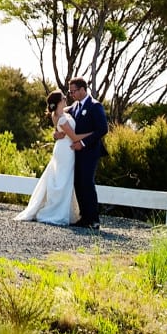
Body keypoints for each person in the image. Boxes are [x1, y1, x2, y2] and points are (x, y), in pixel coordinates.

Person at [14, 89, 90, 225]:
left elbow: (59, 130)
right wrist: (91, 134)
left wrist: (55, 134)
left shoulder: (61, 113)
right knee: (62, 180)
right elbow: (74, 137)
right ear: (60, 101)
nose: (66, 98)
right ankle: (55, 211)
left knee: (62, 179)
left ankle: (61, 209)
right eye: (64, 97)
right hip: (65, 150)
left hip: (64, 148)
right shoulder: (60, 118)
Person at [58, 77, 109, 229]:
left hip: (90, 151)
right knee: (78, 182)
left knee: (87, 182)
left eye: (74, 91)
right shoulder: (75, 106)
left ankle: (94, 219)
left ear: (82, 90)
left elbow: (103, 129)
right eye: (70, 91)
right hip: (76, 152)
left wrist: (83, 143)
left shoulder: (95, 106)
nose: (72, 94)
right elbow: (61, 114)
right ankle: (84, 217)